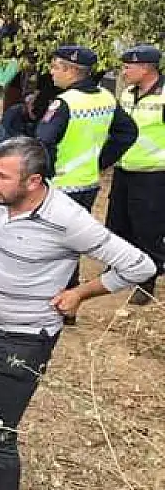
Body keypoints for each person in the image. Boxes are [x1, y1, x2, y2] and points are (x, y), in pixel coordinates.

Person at [0, 136, 155, 490]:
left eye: (2, 176)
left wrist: (81, 293)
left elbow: (141, 265)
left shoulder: (67, 219)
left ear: (34, 181)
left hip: (25, 339)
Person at [35, 45, 138, 317]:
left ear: (71, 70)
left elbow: (43, 141)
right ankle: (68, 303)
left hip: (60, 184)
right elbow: (127, 132)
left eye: (56, 66)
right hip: (88, 183)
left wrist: (44, 174)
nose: (52, 72)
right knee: (72, 242)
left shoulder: (65, 102)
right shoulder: (105, 97)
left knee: (49, 242)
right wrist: (100, 162)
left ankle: (54, 301)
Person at [106, 44, 165, 305]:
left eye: (128, 67)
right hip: (124, 169)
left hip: (153, 174)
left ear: (145, 68)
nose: (124, 71)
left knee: (147, 228)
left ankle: (147, 280)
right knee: (118, 223)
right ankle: (120, 269)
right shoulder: (128, 93)